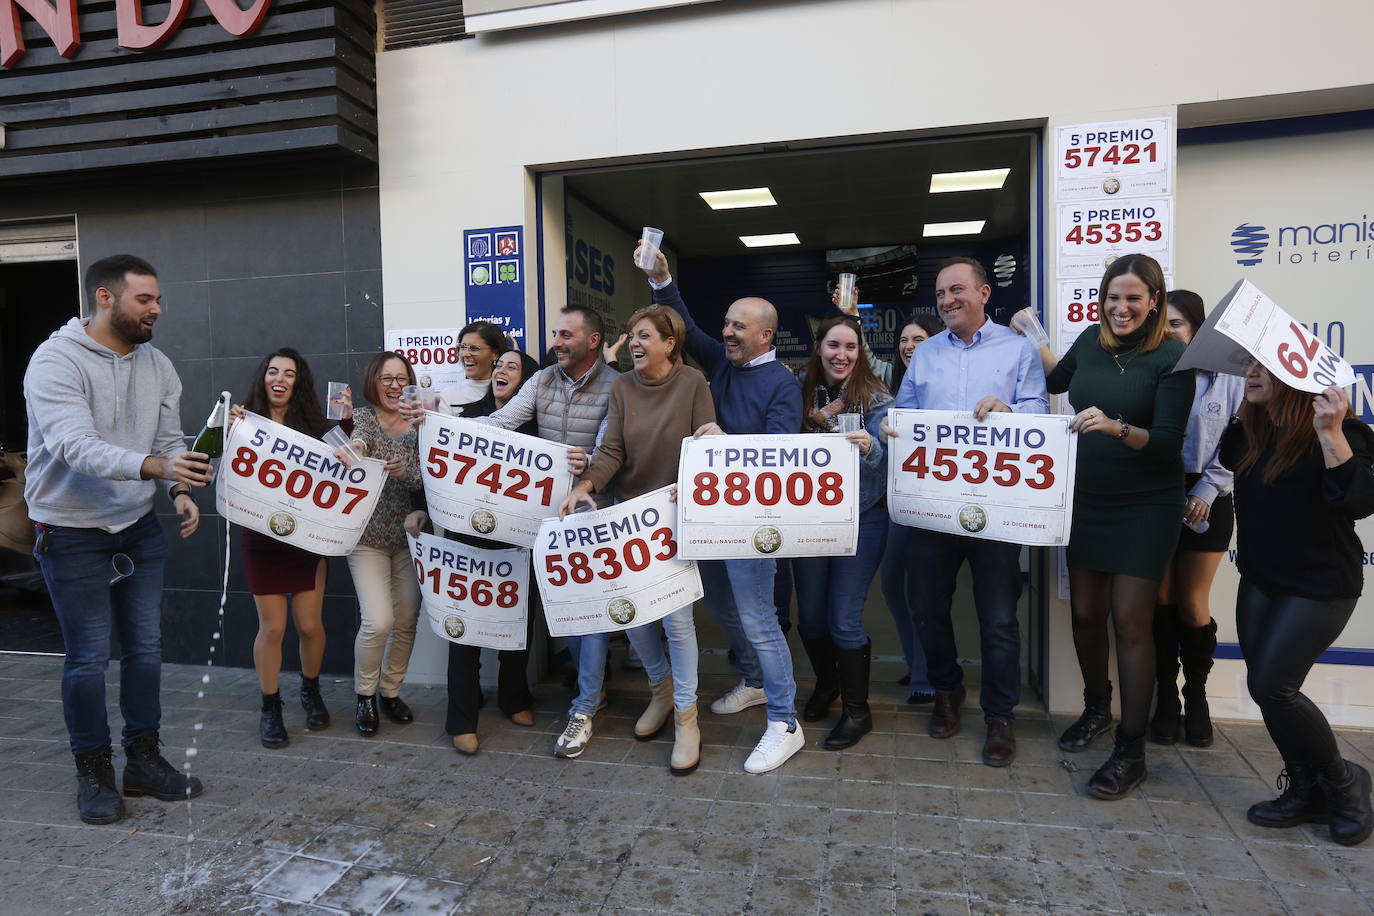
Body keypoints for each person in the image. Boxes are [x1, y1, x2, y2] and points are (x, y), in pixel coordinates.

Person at [24, 254, 207, 825]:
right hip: (71, 529)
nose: (158, 309)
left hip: (136, 527)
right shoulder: (54, 361)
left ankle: (143, 761)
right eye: (145, 300)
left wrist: (179, 490)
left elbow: (169, 439)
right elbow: (75, 447)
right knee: (86, 658)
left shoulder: (159, 365)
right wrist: (159, 469)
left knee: (146, 650)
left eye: (158, 299)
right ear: (106, 298)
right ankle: (93, 770)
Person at [1029, 253, 1194, 799]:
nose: (1121, 308)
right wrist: (1033, 336)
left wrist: (1118, 427)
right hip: (1087, 498)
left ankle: (1132, 748)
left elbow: (1169, 442)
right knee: (1084, 612)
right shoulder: (1088, 342)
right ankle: (1096, 709)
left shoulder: (1173, 357)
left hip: (1147, 504)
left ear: (1153, 302)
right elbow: (1055, 379)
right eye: (1113, 297)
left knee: (1129, 622)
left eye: (1134, 298)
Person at [640, 245, 807, 775]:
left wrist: (726, 439)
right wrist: (663, 278)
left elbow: (781, 453)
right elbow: (684, 324)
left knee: (760, 619)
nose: (728, 333)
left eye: (739, 327)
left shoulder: (782, 382)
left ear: (765, 335)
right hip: (710, 518)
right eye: (727, 325)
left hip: (753, 523)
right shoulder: (723, 362)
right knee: (722, 609)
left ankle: (784, 722)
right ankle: (757, 683)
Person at [430, 305, 618, 759]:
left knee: (582, 614)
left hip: (582, 516)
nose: (557, 340)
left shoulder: (618, 386)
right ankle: (476, 713)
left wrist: (589, 464)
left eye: (566, 334)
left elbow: (615, 445)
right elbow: (499, 425)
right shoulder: (543, 381)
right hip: (519, 524)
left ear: (592, 341)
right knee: (498, 615)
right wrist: (440, 428)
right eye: (555, 332)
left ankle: (582, 700)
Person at [881, 257, 1047, 768]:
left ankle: (1000, 716)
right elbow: (902, 411)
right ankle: (947, 692)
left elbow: (1041, 412)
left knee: (998, 616)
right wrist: (891, 426)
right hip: (934, 507)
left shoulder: (1019, 350)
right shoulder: (925, 353)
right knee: (926, 605)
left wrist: (1011, 412)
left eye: (957, 290)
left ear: (983, 293)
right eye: (940, 294)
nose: (947, 300)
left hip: (994, 509)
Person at [559, 305, 716, 773]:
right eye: (631, 336)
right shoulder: (622, 386)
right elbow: (612, 450)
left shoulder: (693, 384)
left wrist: (711, 442)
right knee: (631, 618)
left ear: (670, 343)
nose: (636, 344)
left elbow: (704, 444)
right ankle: (660, 690)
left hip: (674, 518)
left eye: (645, 335)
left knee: (677, 622)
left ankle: (688, 718)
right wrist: (585, 485)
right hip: (629, 517)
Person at [1222, 365, 1373, 847]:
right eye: (1245, 366)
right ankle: (1306, 789)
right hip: (1261, 580)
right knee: (1266, 689)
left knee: (1274, 686)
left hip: (1321, 584)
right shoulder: (1247, 432)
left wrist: (1328, 431)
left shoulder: (1343, 431)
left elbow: (1360, 500)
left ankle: (1346, 783)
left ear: (1292, 375)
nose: (1248, 374)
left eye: (1261, 367)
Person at [410, 347, 542, 756]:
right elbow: (433, 464)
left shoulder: (540, 433)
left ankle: (514, 698)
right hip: (469, 539)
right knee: (463, 628)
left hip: (520, 541)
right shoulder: (465, 421)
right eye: (499, 365)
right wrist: (419, 506)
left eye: (512, 367)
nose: (502, 370)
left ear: (528, 382)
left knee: (517, 625)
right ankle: (462, 718)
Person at [1150, 290, 1245, 748]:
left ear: (1198, 329)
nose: (1169, 332)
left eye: (1177, 324)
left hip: (1212, 494)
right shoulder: (1157, 373)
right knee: (1161, 598)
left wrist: (1207, 488)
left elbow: (1239, 438)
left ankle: (1198, 693)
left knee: (1191, 602)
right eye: (1162, 324)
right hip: (1158, 494)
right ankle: (1166, 695)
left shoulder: (1230, 375)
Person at [794, 316, 892, 750]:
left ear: (861, 352)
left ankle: (858, 710)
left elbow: (893, 460)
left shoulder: (877, 397)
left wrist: (872, 447)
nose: (842, 355)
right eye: (833, 345)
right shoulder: (797, 389)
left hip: (862, 517)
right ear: (819, 347)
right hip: (810, 519)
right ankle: (827, 684)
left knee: (843, 619)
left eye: (851, 347)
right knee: (812, 617)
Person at [230, 348, 335, 748]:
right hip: (261, 535)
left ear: (298, 382)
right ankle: (270, 706)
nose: (280, 379)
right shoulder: (243, 422)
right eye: (273, 371)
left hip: (306, 537)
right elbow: (215, 457)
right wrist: (225, 428)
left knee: (309, 624)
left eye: (289, 374)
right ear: (263, 378)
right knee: (272, 627)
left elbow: (345, 451)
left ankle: (310, 689)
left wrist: (345, 426)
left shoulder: (313, 425)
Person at [343, 352, 425, 737]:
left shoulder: (420, 424)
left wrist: (406, 471)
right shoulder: (362, 418)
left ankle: (391, 692)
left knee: (407, 619)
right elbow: (357, 443)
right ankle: (365, 695)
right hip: (367, 540)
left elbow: (430, 481)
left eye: (401, 378)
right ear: (373, 381)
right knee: (379, 621)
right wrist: (357, 453)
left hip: (409, 540)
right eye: (386, 378)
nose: (394, 385)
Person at [880, 312, 944, 702]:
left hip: (936, 503)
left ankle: (927, 675)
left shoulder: (941, 384)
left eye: (918, 339)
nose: (909, 347)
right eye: (904, 340)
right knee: (892, 587)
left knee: (923, 592)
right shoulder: (894, 382)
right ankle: (915, 664)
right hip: (900, 503)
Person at [441, 321, 507, 414]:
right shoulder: (449, 395)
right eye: (463, 347)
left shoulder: (512, 392)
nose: (465, 354)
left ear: (495, 354)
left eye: (474, 348)